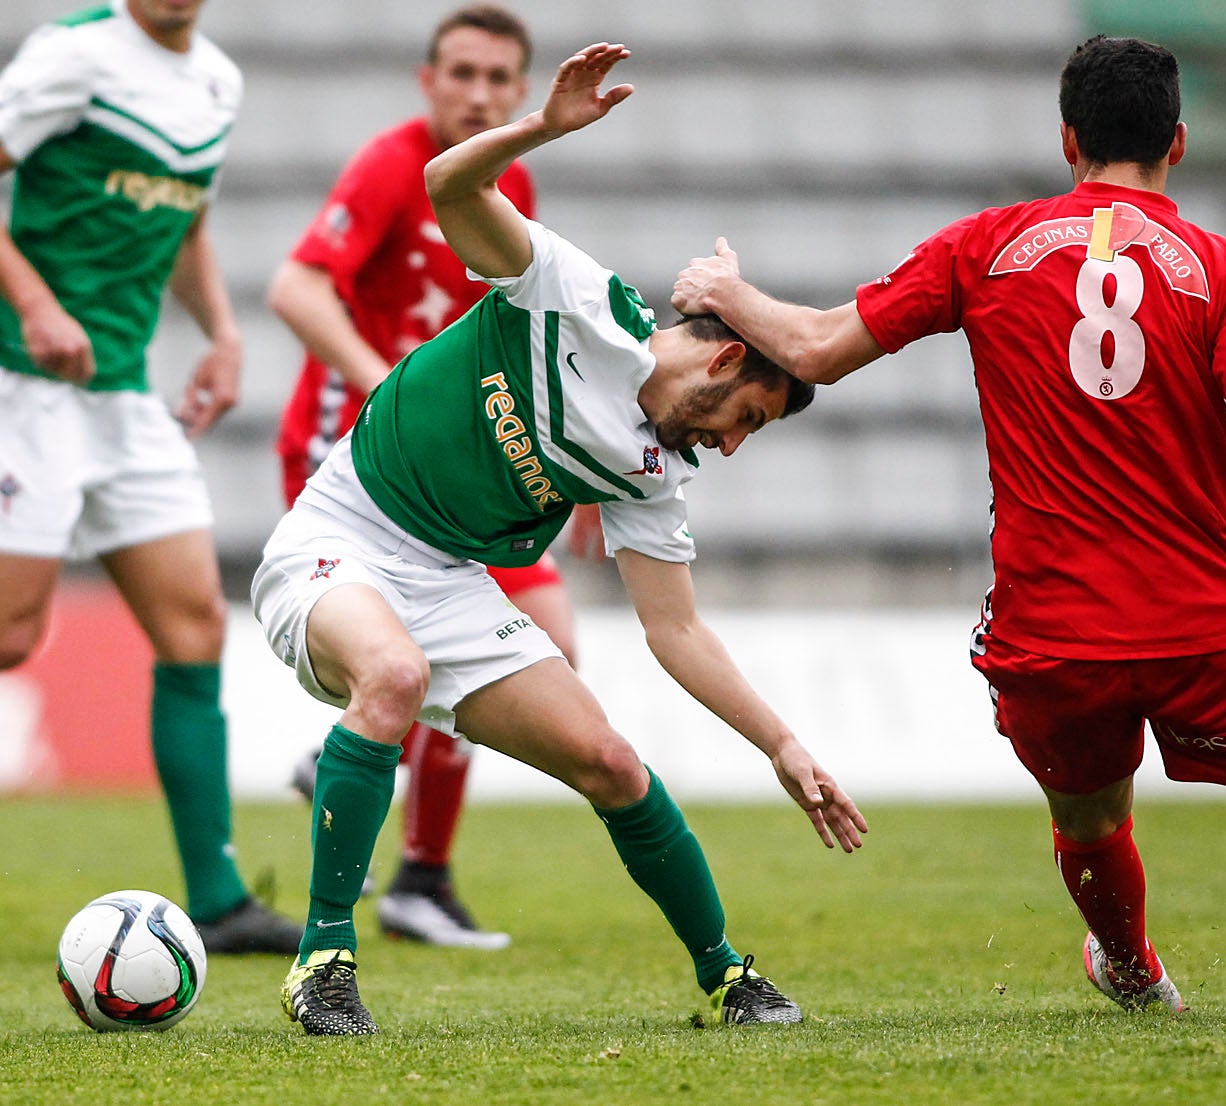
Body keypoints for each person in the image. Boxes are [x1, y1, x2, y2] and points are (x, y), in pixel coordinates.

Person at [671, 34, 1226, 1012]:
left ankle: (1133, 967)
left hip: (1052, 638)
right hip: (1211, 631)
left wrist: (726, 293)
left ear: (1067, 139)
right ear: (1178, 143)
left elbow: (813, 347)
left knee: (1093, 818)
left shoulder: (982, 246)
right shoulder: (1223, 268)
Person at [253, 42, 868, 1036]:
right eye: (746, 415)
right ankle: (324, 957)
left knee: (613, 762)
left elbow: (679, 633)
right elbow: (446, 183)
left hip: (448, 582)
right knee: (395, 676)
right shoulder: (573, 297)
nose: (732, 443)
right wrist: (539, 127)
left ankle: (727, 974)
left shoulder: (656, 468)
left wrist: (783, 746)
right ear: (721, 355)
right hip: (338, 539)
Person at [268, 3, 604, 950]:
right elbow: (296, 286)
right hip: (357, 455)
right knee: (430, 654)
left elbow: (521, 337)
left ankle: (413, 865)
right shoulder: (391, 164)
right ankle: (413, 865)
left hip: (457, 464)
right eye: (462, 73)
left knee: (551, 640)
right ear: (428, 80)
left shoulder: (513, 179)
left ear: (521, 89)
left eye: (500, 79)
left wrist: (572, 471)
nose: (480, 93)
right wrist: (388, 387)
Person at [0, 0, 300, 954]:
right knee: (10, 638)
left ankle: (215, 898)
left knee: (194, 624)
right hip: (24, 382)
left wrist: (220, 330)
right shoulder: (73, 55)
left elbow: (188, 218)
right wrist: (39, 305)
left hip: (124, 396)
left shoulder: (217, 80)